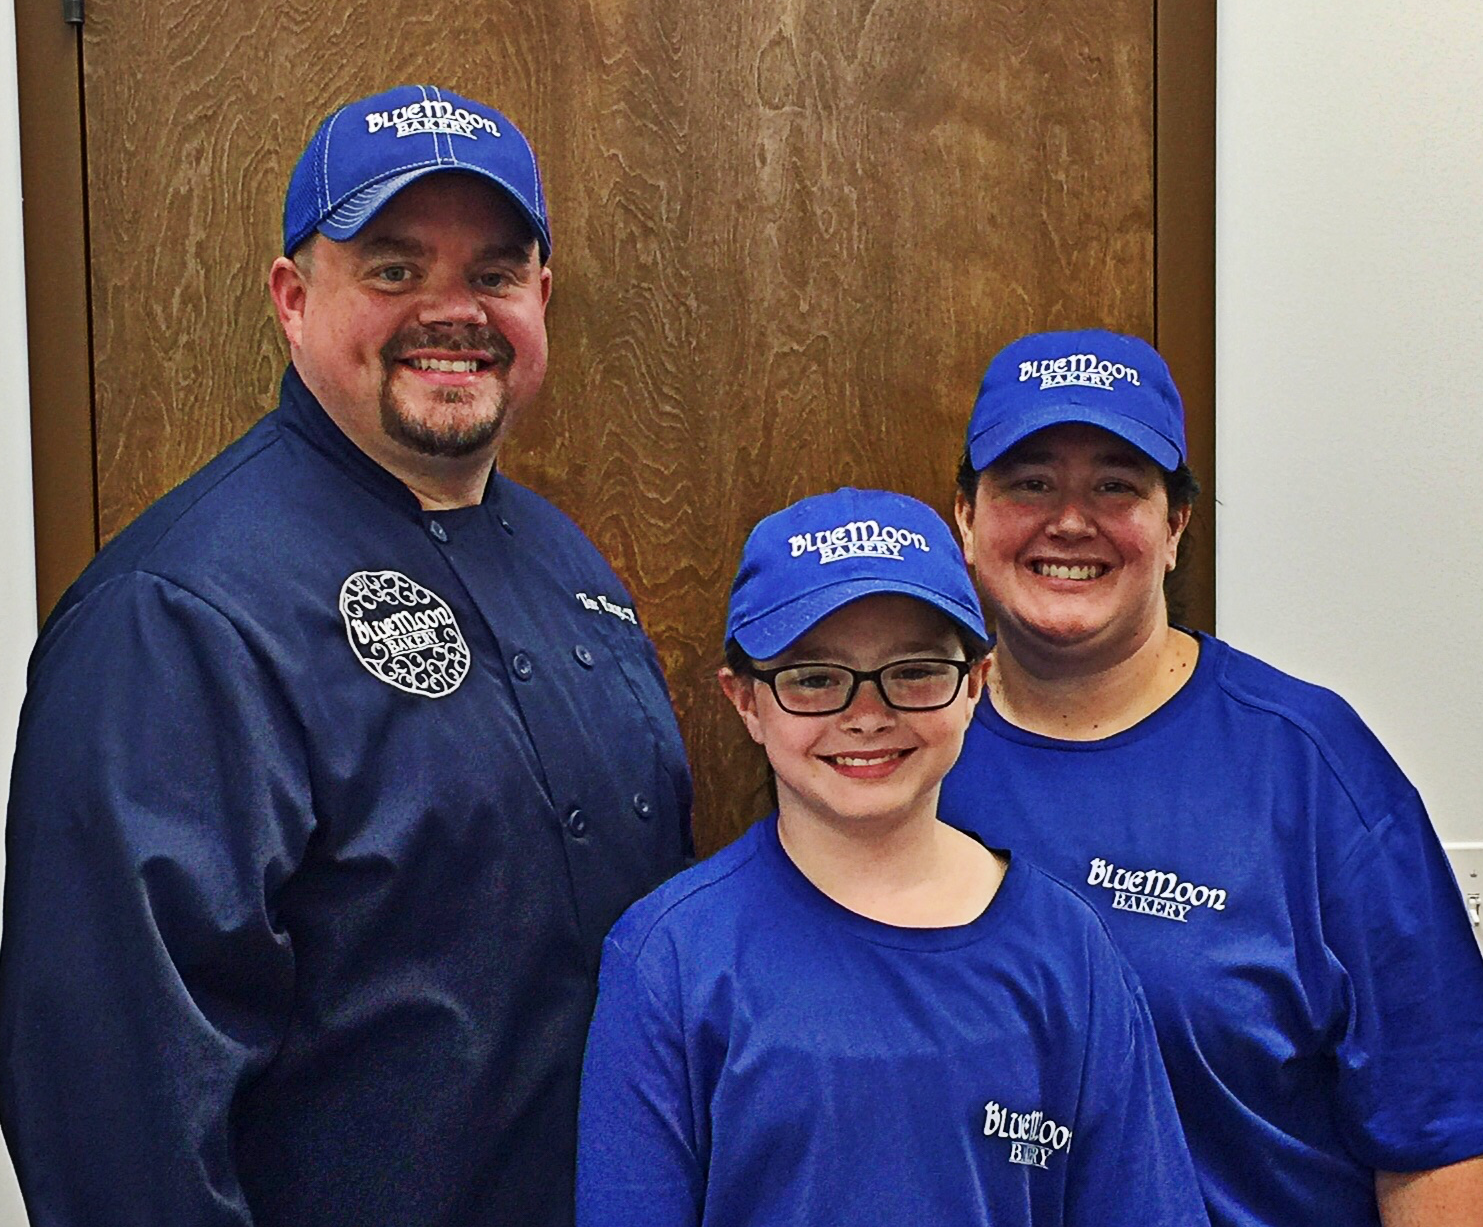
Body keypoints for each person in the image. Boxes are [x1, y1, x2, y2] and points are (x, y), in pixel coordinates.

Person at [0, 85, 692, 1227]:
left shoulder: (568, 564)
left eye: (494, 273)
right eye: (393, 268)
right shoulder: (177, 615)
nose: (452, 311)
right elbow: (116, 1109)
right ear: (292, 298)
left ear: (541, 299)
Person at [941, 327, 1483, 1227]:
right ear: (965, 515)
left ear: (1175, 525)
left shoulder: (1308, 766)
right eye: (1029, 482)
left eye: (1115, 484)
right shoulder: (904, 756)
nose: (1068, 520)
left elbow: (1442, 1132)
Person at [576, 486, 1210, 1227]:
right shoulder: (670, 960)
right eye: (814, 678)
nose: (868, 715)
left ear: (974, 683)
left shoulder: (1068, 953)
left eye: (913, 670)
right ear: (745, 700)